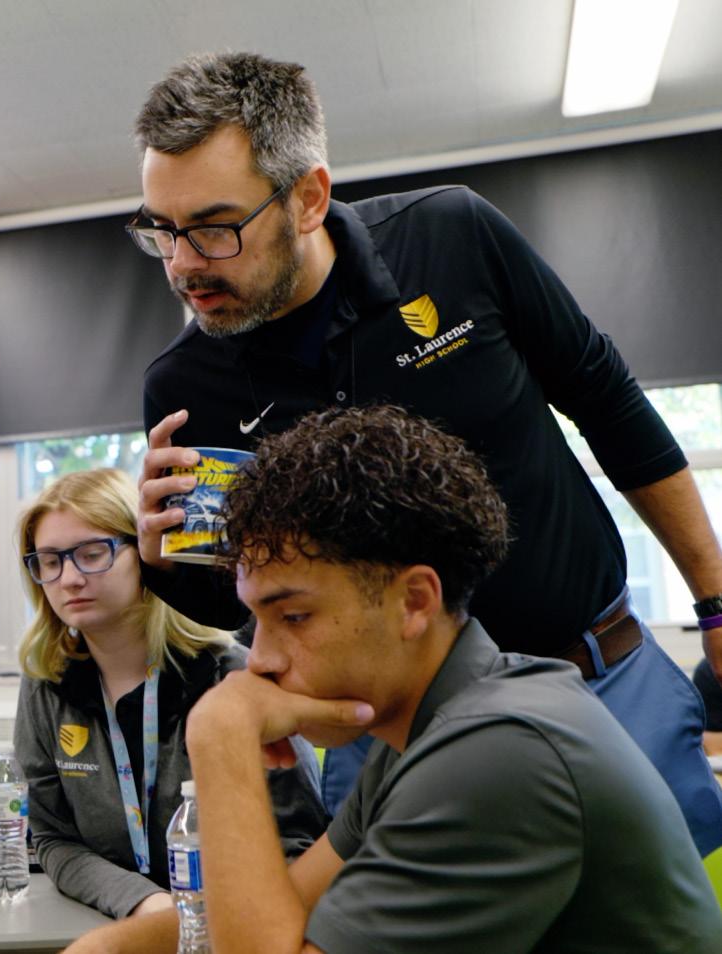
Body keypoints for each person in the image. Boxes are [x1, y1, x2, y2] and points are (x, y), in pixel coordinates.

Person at [129, 51, 722, 859]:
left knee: (665, 911)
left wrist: (714, 602)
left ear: (308, 198)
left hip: (601, 683)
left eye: (213, 227)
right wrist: (166, 564)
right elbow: (252, 597)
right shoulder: (184, 385)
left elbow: (608, 403)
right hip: (390, 741)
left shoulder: (452, 237)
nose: (182, 265)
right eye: (161, 231)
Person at [63, 406, 722, 954]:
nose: (260, 660)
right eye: (256, 619)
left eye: (294, 616)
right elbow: (292, 902)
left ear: (413, 602)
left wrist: (220, 739)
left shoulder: (499, 751)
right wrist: (108, 947)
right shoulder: (430, 726)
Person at [13, 467, 326, 920]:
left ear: (145, 550)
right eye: (50, 561)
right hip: (124, 922)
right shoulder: (45, 682)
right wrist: (145, 904)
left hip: (238, 925)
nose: (70, 579)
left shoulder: (234, 674)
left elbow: (297, 843)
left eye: (92, 554)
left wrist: (199, 922)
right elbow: (53, 838)